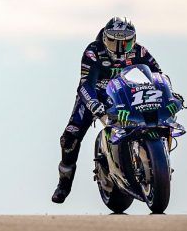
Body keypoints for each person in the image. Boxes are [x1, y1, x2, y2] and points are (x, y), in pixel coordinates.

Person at [51, 16, 164, 204]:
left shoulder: (141, 51)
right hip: (95, 96)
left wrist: (168, 95)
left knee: (157, 118)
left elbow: (159, 77)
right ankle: (64, 184)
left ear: (134, 40)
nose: (120, 48)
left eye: (126, 43)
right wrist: (93, 104)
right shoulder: (93, 52)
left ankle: (152, 161)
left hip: (125, 95)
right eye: (113, 42)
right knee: (70, 137)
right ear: (104, 38)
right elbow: (85, 84)